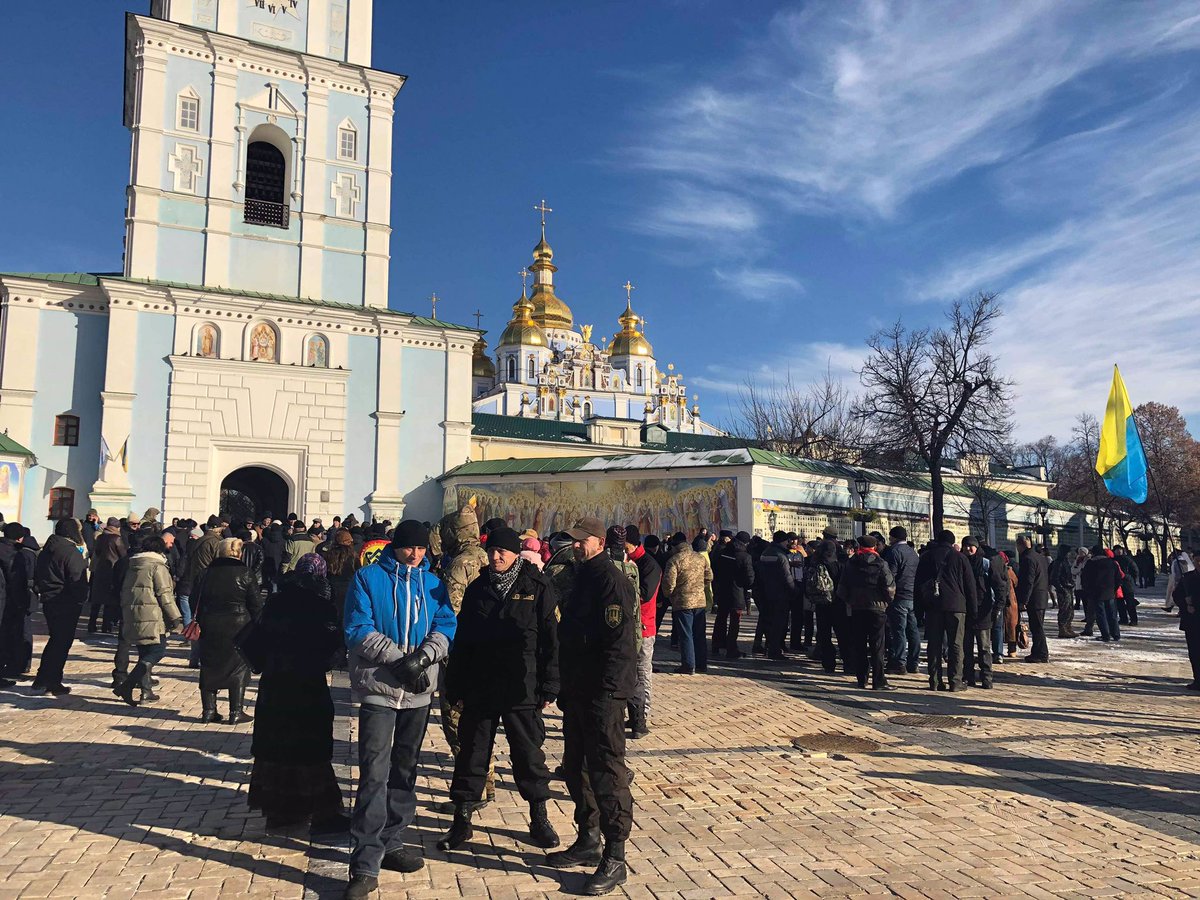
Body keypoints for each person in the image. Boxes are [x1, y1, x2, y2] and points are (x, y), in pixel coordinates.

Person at [342, 520, 456, 898]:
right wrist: (398, 660)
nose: (416, 554)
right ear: (396, 546)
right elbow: (358, 628)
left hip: (419, 693)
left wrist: (423, 659)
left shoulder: (433, 583)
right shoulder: (367, 578)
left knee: (405, 770)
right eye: (410, 548)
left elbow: (446, 624)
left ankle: (393, 839)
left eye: (422, 548)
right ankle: (364, 860)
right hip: (380, 688)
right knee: (374, 772)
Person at [438, 526, 560, 852]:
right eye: (492, 551)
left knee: (528, 755)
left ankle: (539, 818)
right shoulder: (478, 588)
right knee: (471, 755)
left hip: (523, 686)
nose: (496, 557)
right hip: (481, 686)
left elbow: (551, 639)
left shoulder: (536, 586)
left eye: (502, 551)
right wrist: (456, 684)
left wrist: (550, 683)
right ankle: (461, 821)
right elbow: (463, 642)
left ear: (515, 553)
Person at [547, 516, 638, 896]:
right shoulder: (581, 574)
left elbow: (618, 644)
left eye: (582, 541)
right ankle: (589, 838)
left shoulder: (609, 580)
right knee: (576, 767)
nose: (576, 546)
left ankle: (615, 856)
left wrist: (609, 692)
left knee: (607, 772)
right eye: (573, 541)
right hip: (580, 690)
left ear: (599, 542)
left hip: (603, 693)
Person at [239, 553, 348, 833]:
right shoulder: (320, 605)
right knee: (310, 748)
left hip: (275, 685)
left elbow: (260, 640)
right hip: (306, 684)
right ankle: (323, 813)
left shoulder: (277, 601)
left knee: (277, 748)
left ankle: (281, 811)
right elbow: (330, 649)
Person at [436, 505, 494, 809]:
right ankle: (487, 782)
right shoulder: (488, 556)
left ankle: (472, 792)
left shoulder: (459, 564)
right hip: (487, 653)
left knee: (457, 723)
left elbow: (451, 613)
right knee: (479, 722)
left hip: (461, 655)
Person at [193, 537, 262, 724]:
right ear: (239, 553)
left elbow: (194, 601)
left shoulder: (205, 573)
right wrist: (259, 625)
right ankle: (236, 711)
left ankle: (208, 710)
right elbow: (256, 604)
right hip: (239, 626)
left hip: (210, 624)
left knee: (209, 665)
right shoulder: (246, 573)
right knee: (238, 668)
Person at [113, 535, 183, 707]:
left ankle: (146, 691)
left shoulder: (133, 565)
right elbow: (165, 595)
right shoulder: (157, 566)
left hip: (133, 614)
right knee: (158, 651)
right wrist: (176, 618)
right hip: (152, 616)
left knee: (144, 654)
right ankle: (127, 686)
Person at [32, 518, 89, 695]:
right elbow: (77, 578)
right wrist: (81, 598)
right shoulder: (70, 552)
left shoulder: (47, 549)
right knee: (61, 643)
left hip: (50, 599)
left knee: (55, 640)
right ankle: (53, 681)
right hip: (66, 601)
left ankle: (42, 678)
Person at [915, 530, 976, 692]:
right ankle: (955, 681)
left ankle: (934, 681)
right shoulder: (960, 557)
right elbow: (970, 586)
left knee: (934, 644)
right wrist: (973, 610)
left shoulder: (927, 557)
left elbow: (918, 585)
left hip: (933, 606)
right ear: (952, 541)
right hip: (956, 606)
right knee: (956, 644)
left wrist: (919, 610)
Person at [836, 535, 896, 691]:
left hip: (857, 608)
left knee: (859, 644)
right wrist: (886, 602)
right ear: (875, 546)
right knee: (878, 646)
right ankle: (879, 681)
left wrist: (850, 601)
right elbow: (890, 588)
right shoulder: (881, 563)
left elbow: (842, 588)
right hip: (877, 609)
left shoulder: (851, 563)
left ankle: (862, 679)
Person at [624, 525, 661, 738]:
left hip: (645, 626)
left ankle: (642, 713)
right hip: (628, 625)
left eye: (626, 546)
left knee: (642, 671)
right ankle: (633, 711)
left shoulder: (648, 564)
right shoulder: (627, 561)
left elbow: (645, 594)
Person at [661, 531, 713, 675]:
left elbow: (668, 584)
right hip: (699, 601)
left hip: (682, 602)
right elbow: (709, 576)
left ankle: (689, 665)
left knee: (686, 634)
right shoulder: (699, 558)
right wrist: (700, 587)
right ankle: (702, 664)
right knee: (699, 634)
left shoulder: (674, 560)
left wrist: (669, 595)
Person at [881, 526, 919, 675]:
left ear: (894, 537)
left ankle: (899, 662)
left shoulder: (894, 552)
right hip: (912, 594)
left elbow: (890, 575)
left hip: (899, 595)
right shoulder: (913, 553)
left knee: (898, 630)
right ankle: (913, 662)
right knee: (913, 630)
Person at [754, 531, 796, 662]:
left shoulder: (766, 552)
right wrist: (795, 590)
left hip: (765, 592)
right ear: (783, 541)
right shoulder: (782, 556)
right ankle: (774, 650)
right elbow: (786, 577)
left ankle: (768, 646)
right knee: (779, 623)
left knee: (768, 621)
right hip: (780, 594)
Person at [806, 533, 844, 673]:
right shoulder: (838, 563)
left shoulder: (815, 562)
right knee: (841, 633)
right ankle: (847, 660)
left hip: (821, 602)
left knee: (824, 633)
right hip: (838, 602)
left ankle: (828, 662)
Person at [711, 530, 753, 661]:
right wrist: (744, 584)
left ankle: (717, 644)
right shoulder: (745, 556)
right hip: (737, 592)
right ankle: (731, 648)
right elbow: (749, 578)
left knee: (721, 618)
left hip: (723, 589)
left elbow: (716, 569)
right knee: (735, 621)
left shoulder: (724, 551)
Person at [960, 537, 994, 689]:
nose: (968, 549)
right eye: (965, 546)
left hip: (982, 610)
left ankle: (986, 677)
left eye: (971, 546)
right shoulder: (962, 562)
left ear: (976, 547)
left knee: (984, 647)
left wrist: (995, 607)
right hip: (966, 610)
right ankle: (969, 676)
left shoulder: (985, 563)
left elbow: (996, 586)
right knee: (966, 646)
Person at [0, 522, 30, 684]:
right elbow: (16, 580)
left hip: (5, 598)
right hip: (7, 601)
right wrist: (22, 603)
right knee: (5, 635)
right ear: (19, 538)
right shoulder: (13, 554)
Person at [87, 517, 127, 634]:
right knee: (109, 600)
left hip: (100, 570)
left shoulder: (100, 538)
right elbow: (123, 555)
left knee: (97, 600)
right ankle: (106, 626)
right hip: (112, 570)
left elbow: (97, 552)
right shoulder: (117, 539)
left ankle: (92, 624)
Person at [1016, 535, 1050, 662]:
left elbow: (1028, 581)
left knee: (1037, 627)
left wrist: (1024, 600)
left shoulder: (1027, 558)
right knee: (1037, 626)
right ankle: (1038, 651)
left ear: (1019, 546)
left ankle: (1041, 653)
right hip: (1041, 595)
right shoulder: (1039, 557)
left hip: (1034, 597)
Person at [1080, 546, 1122, 643]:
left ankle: (1105, 635)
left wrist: (1087, 591)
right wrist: (1114, 589)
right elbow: (1119, 578)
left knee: (1101, 615)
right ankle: (1116, 634)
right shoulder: (1112, 563)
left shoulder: (1091, 563)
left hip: (1096, 593)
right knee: (1112, 614)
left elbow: (1084, 578)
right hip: (1110, 592)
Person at [1172, 565, 1200, 690]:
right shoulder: (1187, 577)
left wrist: (1194, 600)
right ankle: (1198, 680)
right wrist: (1185, 604)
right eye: (1197, 560)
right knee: (1194, 652)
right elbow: (1176, 594)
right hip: (1192, 621)